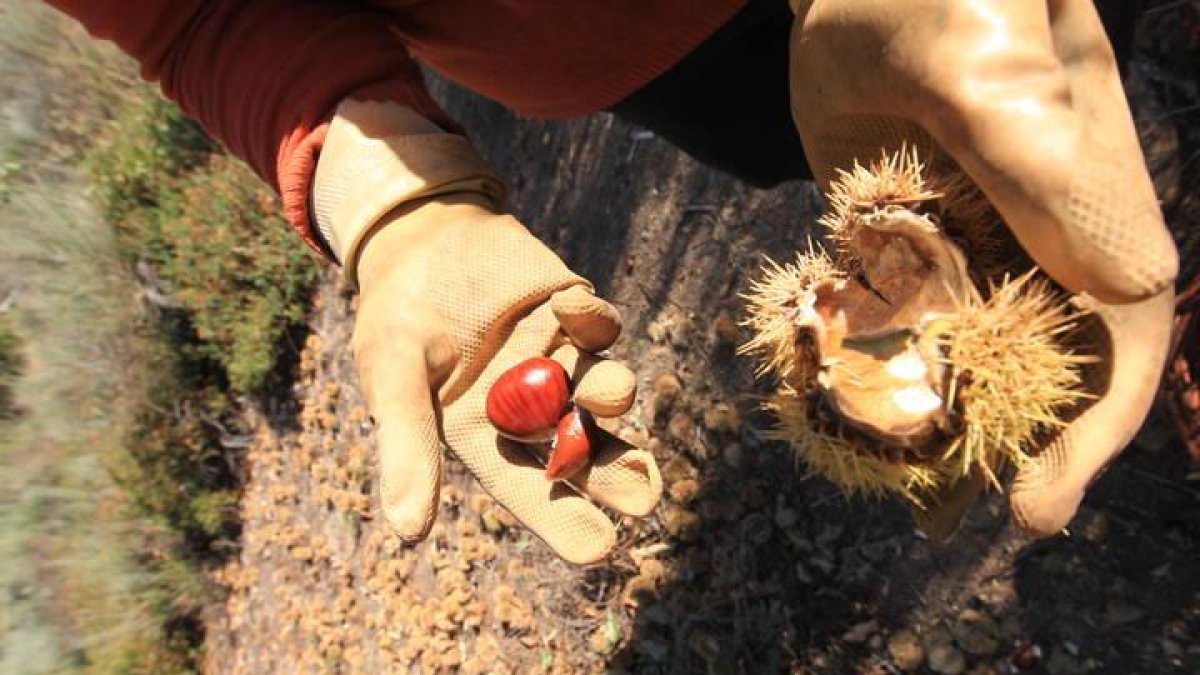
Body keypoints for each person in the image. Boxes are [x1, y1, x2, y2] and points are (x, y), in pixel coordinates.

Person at [45, 0, 1182, 564]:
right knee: (869, 150)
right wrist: (389, 196)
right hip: (660, 61)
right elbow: (200, 14)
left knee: (1068, 61)